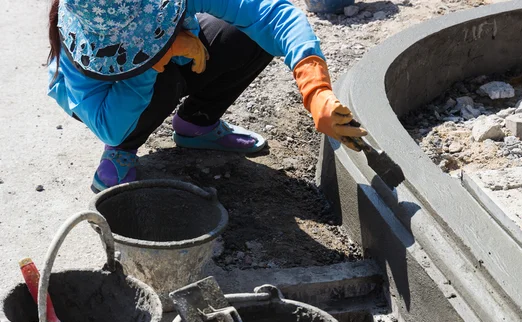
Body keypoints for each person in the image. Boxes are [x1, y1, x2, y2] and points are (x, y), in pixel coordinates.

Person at [48, 0, 367, 192]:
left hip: (163, 52)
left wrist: (315, 88)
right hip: (110, 103)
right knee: (159, 85)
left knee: (248, 33)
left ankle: (197, 123)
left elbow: (271, 14)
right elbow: (108, 124)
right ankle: (122, 152)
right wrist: (161, 52)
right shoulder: (76, 42)